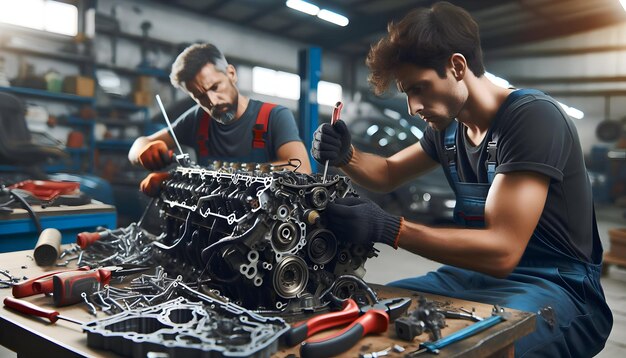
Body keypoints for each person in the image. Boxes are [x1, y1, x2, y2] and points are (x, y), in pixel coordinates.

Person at [312, 2, 612, 356]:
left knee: (488, 345)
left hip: (558, 286)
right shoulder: (448, 130)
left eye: (418, 88)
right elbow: (389, 173)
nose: (412, 107)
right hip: (471, 276)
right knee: (367, 307)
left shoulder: (532, 119)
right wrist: (347, 155)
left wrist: (389, 228)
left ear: (457, 66)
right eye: (407, 92)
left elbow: (502, 251)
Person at [129, 43, 311, 195]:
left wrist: (178, 178)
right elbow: (137, 146)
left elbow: (301, 168)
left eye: (215, 87)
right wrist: (144, 151)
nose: (212, 102)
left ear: (231, 74)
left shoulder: (274, 116)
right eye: (200, 97)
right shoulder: (198, 118)